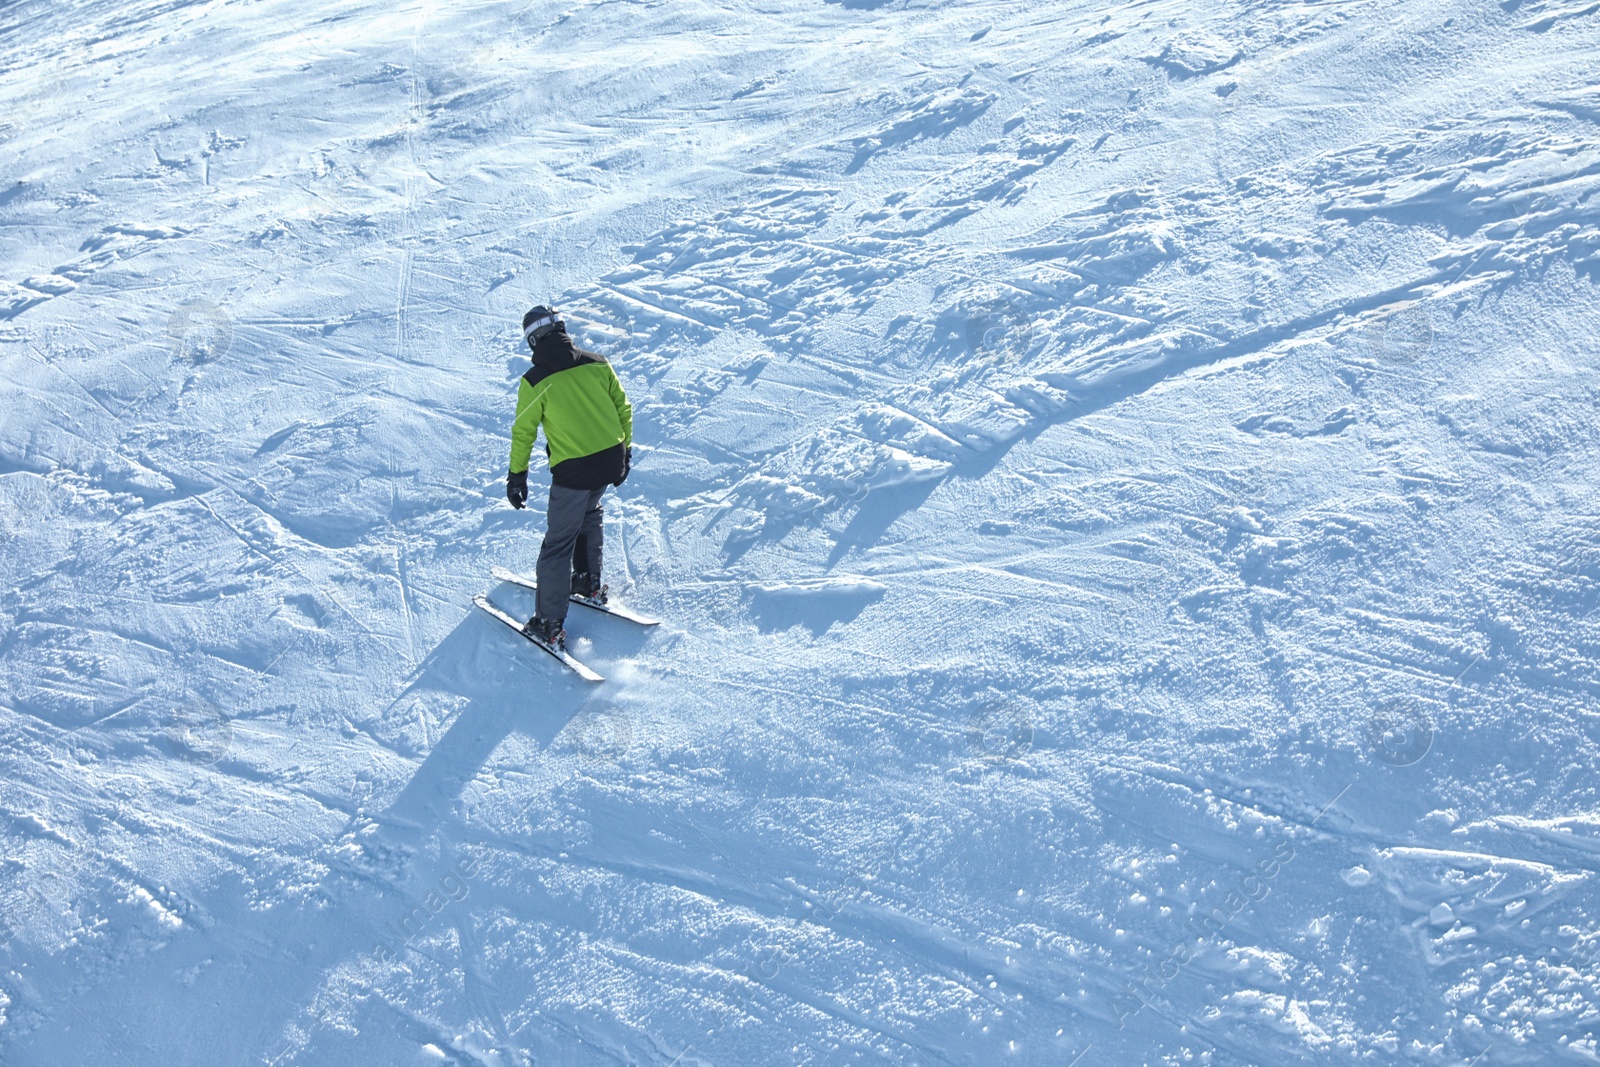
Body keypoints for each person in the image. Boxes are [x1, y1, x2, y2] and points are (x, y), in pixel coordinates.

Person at [505, 305, 632, 649]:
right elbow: (623, 408)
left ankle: (549, 623)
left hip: (575, 470)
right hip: (611, 460)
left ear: (533, 341)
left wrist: (517, 476)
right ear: (561, 327)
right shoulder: (597, 363)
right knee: (589, 512)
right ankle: (588, 582)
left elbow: (524, 433)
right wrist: (627, 450)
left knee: (557, 543)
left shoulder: (536, 381)